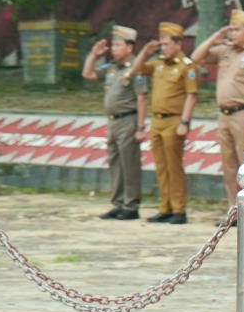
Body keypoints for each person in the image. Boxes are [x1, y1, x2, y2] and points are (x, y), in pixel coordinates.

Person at [194, 10, 244, 218]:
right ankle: (235, 211)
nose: (233, 34)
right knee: (230, 166)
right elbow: (196, 57)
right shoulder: (225, 51)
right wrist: (215, 38)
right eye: (231, 29)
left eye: (237, 29)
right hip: (225, 115)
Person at [129, 22, 199, 224]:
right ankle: (165, 207)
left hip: (174, 120)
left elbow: (191, 96)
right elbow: (136, 70)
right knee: (161, 166)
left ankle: (179, 209)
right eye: (161, 45)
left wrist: (184, 121)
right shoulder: (158, 63)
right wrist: (145, 52)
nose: (163, 48)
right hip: (157, 121)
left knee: (174, 166)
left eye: (166, 44)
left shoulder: (186, 66)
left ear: (178, 44)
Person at [81, 25, 146, 221]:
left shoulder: (135, 68)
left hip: (128, 119)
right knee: (115, 163)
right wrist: (94, 55)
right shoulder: (111, 68)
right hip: (113, 122)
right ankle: (117, 203)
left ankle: (131, 205)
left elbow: (142, 98)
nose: (114, 49)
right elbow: (88, 74)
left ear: (130, 47)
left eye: (118, 45)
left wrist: (141, 127)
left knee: (129, 164)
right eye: (113, 45)